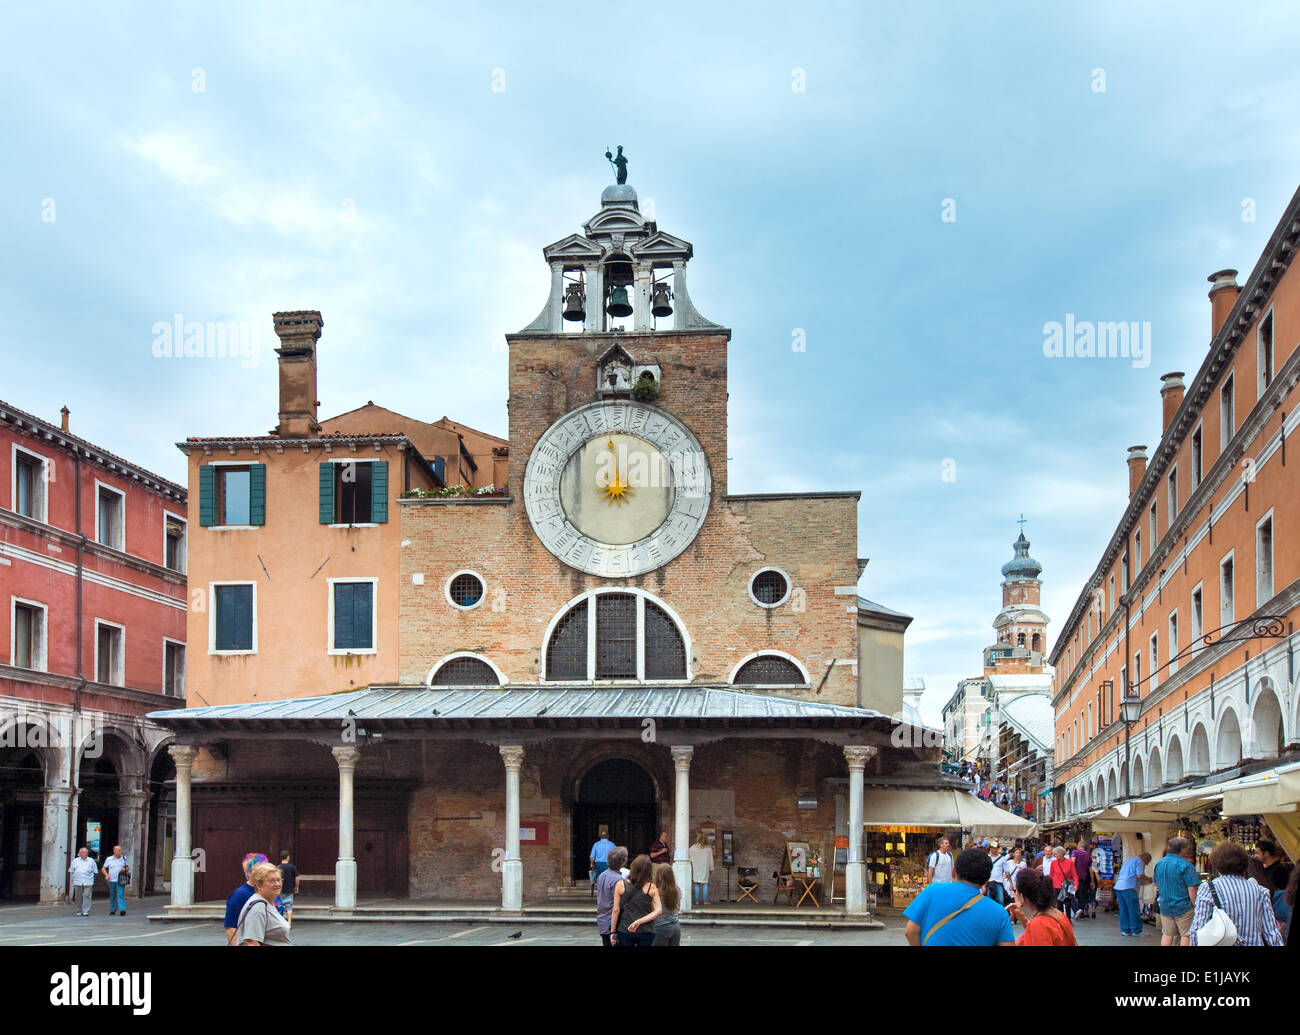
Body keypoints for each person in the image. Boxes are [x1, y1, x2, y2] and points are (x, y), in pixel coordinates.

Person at [903, 848, 1015, 946]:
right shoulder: (999, 913)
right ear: (987, 879)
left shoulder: (932, 891)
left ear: (953, 871)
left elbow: (910, 931)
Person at [1189, 841, 1283, 946]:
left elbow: (1198, 928)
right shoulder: (1261, 891)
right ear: (1245, 863)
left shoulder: (1208, 888)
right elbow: (1271, 932)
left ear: (1216, 864)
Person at [1008, 865, 1077, 945]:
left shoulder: (1038, 924)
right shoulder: (1057, 914)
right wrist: (1022, 918)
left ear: (1022, 896)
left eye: (1016, 890)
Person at [1152, 836, 1200, 946]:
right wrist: (1196, 905)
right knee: (1186, 934)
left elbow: (1155, 883)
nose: (1188, 851)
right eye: (1187, 848)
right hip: (1183, 906)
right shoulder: (1186, 865)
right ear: (1182, 849)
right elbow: (1192, 888)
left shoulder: (1159, 863)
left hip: (1164, 905)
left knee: (1167, 934)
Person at [235, 861, 292, 946]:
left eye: (279, 880)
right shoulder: (258, 907)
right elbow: (251, 943)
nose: (277, 884)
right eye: (271, 881)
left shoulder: (268, 902)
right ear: (259, 884)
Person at [610, 854, 661, 947]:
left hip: (625, 928)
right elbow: (658, 910)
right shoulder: (651, 887)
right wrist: (639, 921)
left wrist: (613, 931)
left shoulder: (621, 885)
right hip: (646, 930)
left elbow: (616, 910)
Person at [224, 853, 267, 945]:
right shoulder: (239, 895)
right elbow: (231, 928)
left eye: (263, 871)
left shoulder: (269, 890)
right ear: (247, 872)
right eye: (256, 871)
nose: (261, 874)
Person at [595, 846, 629, 946]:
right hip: (613, 923)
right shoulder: (618, 880)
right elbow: (618, 905)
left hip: (602, 920)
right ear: (623, 862)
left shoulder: (602, 875)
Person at [1114, 850, 1153, 937]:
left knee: (1124, 910)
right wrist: (1149, 879)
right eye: (1147, 862)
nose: (1146, 865)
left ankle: (1125, 930)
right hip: (1129, 888)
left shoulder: (1128, 861)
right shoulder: (1140, 862)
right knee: (1134, 910)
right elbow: (1139, 875)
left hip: (1119, 887)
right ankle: (1137, 930)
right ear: (1145, 859)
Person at [650, 863, 682, 946]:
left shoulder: (655, 890)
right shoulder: (676, 889)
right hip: (675, 926)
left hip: (660, 926)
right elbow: (678, 907)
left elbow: (652, 910)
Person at [1049, 845, 1078, 920]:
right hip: (1057, 886)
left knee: (1067, 904)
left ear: (1061, 854)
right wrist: (1050, 884)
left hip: (1066, 886)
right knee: (1059, 904)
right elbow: (1051, 874)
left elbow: (1074, 875)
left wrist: (1076, 885)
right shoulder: (1054, 862)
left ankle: (1068, 920)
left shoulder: (1069, 862)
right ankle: (1060, 920)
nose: (1054, 855)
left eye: (1056, 854)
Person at [102, 844, 130, 916]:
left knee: (120, 894)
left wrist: (124, 869)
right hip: (112, 879)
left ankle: (122, 909)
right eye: (118, 850)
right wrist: (106, 875)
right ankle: (113, 909)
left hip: (121, 879)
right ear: (114, 851)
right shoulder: (109, 859)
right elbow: (103, 868)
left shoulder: (124, 858)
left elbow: (127, 867)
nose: (120, 852)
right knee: (113, 895)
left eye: (120, 850)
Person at [68, 847, 97, 916]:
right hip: (78, 881)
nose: (86, 854)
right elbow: (71, 870)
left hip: (88, 881)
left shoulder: (91, 861)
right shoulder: (75, 861)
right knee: (78, 896)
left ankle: (86, 911)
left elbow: (95, 871)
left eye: (86, 852)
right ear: (80, 853)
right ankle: (79, 910)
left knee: (87, 895)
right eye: (84, 852)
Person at [687, 831, 712, 906]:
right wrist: (711, 868)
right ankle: (705, 901)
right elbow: (711, 860)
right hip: (705, 869)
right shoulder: (708, 848)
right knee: (705, 884)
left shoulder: (692, 848)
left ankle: (697, 901)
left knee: (696, 884)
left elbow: (688, 859)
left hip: (696, 869)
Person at [1070, 841, 1094, 919]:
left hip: (1074, 877)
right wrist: (1092, 881)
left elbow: (1072, 863)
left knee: (1071, 894)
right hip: (1083, 877)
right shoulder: (1088, 855)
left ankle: (1075, 910)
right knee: (1082, 895)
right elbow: (1090, 869)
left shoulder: (1075, 852)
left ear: (1079, 846)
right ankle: (1081, 910)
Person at [278, 850, 300, 923]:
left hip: (280, 889)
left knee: (279, 905)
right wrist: (296, 887)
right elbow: (297, 877)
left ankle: (280, 921)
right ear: (288, 857)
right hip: (290, 889)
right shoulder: (292, 867)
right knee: (289, 906)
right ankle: (289, 921)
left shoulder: (278, 868)